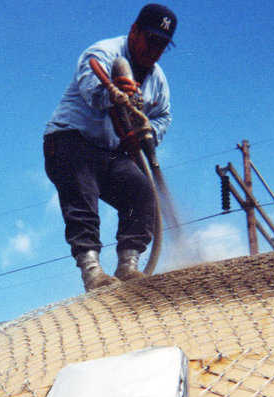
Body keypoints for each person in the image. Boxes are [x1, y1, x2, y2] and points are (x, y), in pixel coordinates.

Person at [44, 3, 176, 291]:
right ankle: (92, 270)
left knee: (142, 192)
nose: (154, 50)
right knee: (82, 190)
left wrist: (146, 134)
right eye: (151, 40)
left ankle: (129, 265)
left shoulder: (158, 80)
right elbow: (92, 91)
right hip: (68, 141)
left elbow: (163, 115)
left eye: (162, 45)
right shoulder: (101, 54)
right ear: (134, 32)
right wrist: (115, 94)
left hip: (109, 153)